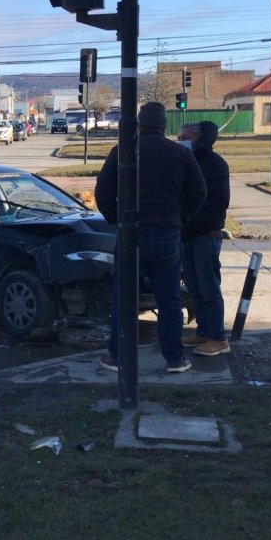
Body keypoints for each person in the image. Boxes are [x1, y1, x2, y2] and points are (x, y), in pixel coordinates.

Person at [94, 102, 206, 375]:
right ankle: (175, 358)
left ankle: (117, 356)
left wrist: (116, 219)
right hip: (168, 232)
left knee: (125, 297)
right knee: (169, 300)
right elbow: (199, 192)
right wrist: (180, 217)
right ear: (164, 125)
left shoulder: (122, 152)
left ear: (139, 124)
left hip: (132, 232)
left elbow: (103, 192)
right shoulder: (180, 153)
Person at [180, 120, 231, 357]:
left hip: (205, 233)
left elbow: (219, 201)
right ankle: (203, 330)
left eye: (186, 137)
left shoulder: (215, 164)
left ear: (200, 139)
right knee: (194, 286)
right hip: (187, 233)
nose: (181, 140)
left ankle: (218, 337)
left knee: (209, 286)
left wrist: (191, 218)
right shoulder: (187, 161)